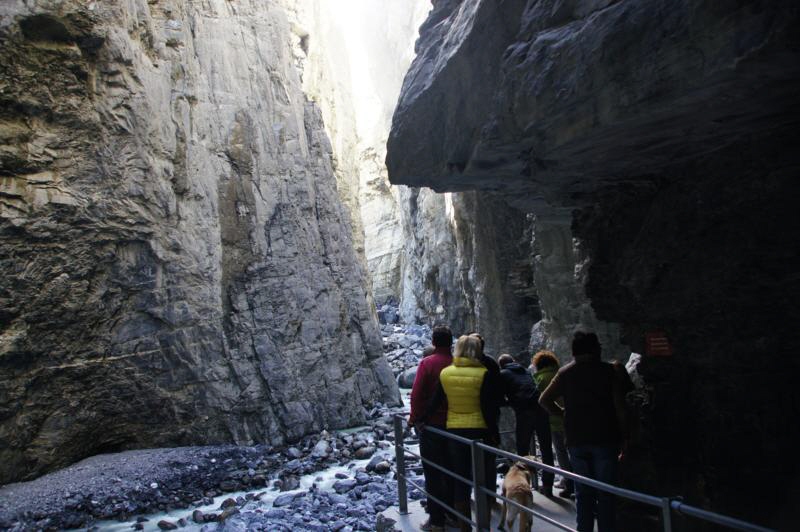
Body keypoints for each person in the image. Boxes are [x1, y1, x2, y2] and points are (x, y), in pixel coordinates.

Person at [539, 332, 629, 532]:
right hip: (605, 437)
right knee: (606, 494)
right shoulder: (608, 371)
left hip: (576, 439)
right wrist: (625, 435)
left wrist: (563, 414)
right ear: (594, 349)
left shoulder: (565, 373)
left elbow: (544, 400)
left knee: (583, 493)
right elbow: (619, 407)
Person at [424, 334, 500, 532]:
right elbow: (488, 408)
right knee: (483, 478)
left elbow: (435, 401)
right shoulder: (484, 373)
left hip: (455, 432)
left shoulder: (446, 373)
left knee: (460, 479)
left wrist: (421, 419)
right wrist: (494, 433)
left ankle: (464, 526)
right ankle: (484, 524)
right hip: (480, 431)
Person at [408, 325, 454, 532]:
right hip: (457, 426)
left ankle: (437, 521)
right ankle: (455, 514)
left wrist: (414, 419)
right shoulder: (458, 363)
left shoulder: (427, 363)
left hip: (433, 427)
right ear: (451, 342)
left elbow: (416, 395)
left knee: (433, 474)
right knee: (454, 471)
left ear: (434, 343)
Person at [498, 353, 555, 496]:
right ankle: (548, 485)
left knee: (523, 450)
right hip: (541, 409)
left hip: (524, 412)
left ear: (501, 365)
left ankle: (523, 487)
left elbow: (500, 397)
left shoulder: (503, 374)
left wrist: (510, 402)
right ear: (513, 361)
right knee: (546, 448)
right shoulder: (525, 371)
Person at [532, 350, 573, 498]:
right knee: (573, 452)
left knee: (561, 453)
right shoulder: (562, 375)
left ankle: (569, 483)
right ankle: (577, 482)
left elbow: (539, 400)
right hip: (571, 419)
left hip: (554, 421)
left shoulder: (541, 379)